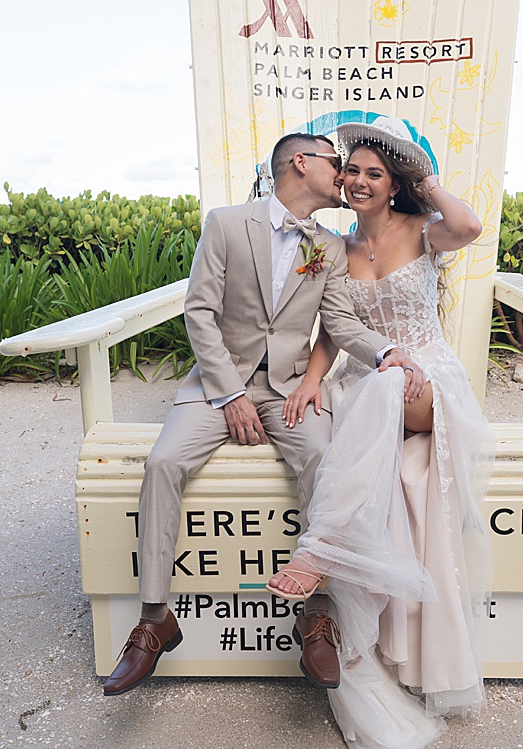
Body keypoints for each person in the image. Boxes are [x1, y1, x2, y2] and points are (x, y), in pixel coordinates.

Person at [101, 132, 426, 697]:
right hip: (217, 386)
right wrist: (229, 395)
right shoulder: (226, 224)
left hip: (288, 391)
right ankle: (154, 620)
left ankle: (315, 616)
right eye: (337, 165)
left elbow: (340, 323)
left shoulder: (326, 246)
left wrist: (383, 351)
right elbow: (199, 312)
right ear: (302, 164)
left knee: (326, 457)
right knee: (162, 463)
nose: (345, 176)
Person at [267, 116, 494, 748]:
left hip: (428, 382)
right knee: (375, 390)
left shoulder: (421, 231)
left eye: (376, 174)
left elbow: (471, 226)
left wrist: (422, 175)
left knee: (396, 379)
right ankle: (362, 634)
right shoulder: (336, 249)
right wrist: (313, 378)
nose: (362, 182)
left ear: (393, 185)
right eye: (355, 172)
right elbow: (334, 327)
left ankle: (321, 545)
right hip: (371, 384)